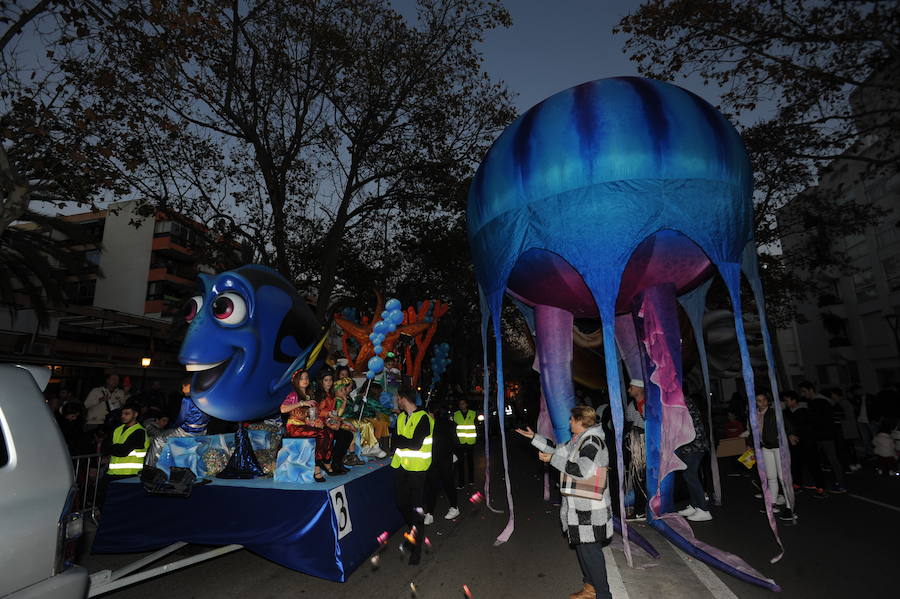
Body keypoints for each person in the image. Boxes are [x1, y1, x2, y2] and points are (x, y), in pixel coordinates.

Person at [516, 407, 613, 599]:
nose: (569, 423)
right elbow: (557, 450)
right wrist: (534, 437)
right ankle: (590, 589)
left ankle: (604, 595)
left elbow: (582, 470)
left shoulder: (592, 442)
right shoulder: (579, 440)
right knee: (583, 551)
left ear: (580, 421)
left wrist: (552, 459)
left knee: (591, 554)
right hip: (580, 507)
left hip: (590, 509)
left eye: (571, 419)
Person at [391, 386, 434, 566]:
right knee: (401, 504)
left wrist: (402, 441)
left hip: (417, 471)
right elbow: (395, 442)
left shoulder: (424, 418)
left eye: (397, 399)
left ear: (403, 398)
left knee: (416, 511)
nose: (396, 402)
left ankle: (415, 551)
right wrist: (402, 441)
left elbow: (415, 444)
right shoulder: (401, 417)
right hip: (400, 468)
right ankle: (413, 533)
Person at [281, 369, 335, 481]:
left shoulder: (308, 396)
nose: (305, 380)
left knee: (328, 432)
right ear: (296, 381)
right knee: (320, 434)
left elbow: (310, 416)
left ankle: (325, 460)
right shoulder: (293, 395)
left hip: (304, 425)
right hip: (294, 427)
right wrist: (301, 403)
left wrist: (316, 421)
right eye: (302, 378)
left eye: (306, 378)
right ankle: (317, 467)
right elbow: (283, 409)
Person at [754, 392, 796, 521]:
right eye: (758, 400)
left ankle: (790, 507)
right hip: (765, 447)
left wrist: (791, 434)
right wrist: (750, 444)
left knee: (783, 477)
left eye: (763, 400)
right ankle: (773, 503)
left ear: (768, 401)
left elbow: (786, 424)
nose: (761, 402)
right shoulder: (754, 414)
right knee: (771, 477)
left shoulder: (774, 412)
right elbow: (753, 430)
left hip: (778, 447)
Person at [799, 381, 846, 493]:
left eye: (804, 391)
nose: (803, 394)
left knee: (830, 459)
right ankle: (826, 482)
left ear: (811, 390)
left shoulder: (817, 402)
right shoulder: (823, 401)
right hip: (825, 434)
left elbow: (816, 420)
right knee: (823, 459)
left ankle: (840, 484)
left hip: (823, 435)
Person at [676, 394, 713, 522]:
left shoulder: (682, 402)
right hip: (690, 445)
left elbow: (684, 425)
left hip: (694, 445)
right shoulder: (683, 401)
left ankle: (703, 510)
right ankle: (695, 505)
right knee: (688, 475)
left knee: (690, 475)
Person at [783, 390, 825, 498]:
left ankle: (820, 487)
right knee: (796, 465)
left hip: (808, 443)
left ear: (794, 400)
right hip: (795, 444)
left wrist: (795, 434)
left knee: (813, 465)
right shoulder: (787, 412)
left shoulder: (804, 411)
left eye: (787, 400)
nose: (785, 402)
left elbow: (808, 427)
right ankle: (797, 484)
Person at [424, 402, 460, 525]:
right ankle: (430, 513)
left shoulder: (443, 425)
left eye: (428, 412)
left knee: (445, 485)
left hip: (443, 460)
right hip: (436, 460)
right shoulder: (433, 424)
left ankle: (453, 508)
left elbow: (455, 442)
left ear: (433, 412)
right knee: (434, 486)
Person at [624, 379, 647, 520]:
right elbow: (628, 424)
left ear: (639, 388)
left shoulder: (651, 404)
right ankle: (640, 509)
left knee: (648, 479)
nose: (628, 390)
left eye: (631, 387)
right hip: (636, 448)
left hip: (650, 447)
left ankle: (644, 509)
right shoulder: (631, 405)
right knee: (638, 478)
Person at [831, 387, 861, 472]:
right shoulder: (844, 402)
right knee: (850, 448)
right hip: (849, 429)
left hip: (846, 429)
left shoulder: (842, 403)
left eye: (832, 394)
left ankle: (852, 464)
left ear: (835, 394)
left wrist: (839, 419)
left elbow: (848, 415)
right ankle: (855, 464)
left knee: (847, 448)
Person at [453, 397, 477, 489]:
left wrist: (476, 438)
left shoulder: (473, 413)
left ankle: (471, 480)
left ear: (466, 404)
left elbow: (476, 427)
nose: (462, 405)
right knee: (460, 463)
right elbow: (454, 429)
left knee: (470, 462)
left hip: (470, 442)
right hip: (460, 442)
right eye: (460, 404)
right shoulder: (456, 414)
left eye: (463, 403)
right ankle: (461, 483)